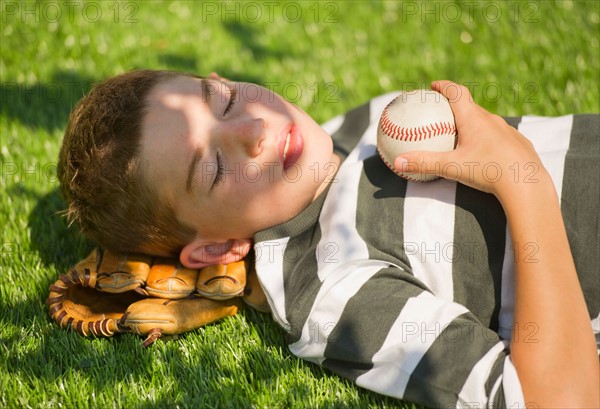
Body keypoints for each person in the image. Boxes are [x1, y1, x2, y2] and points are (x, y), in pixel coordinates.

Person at [58, 70, 599, 408]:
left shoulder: (360, 127)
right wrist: (520, 177)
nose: (253, 128)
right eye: (215, 169)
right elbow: (554, 399)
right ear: (216, 251)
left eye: (223, 99)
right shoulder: (334, 288)